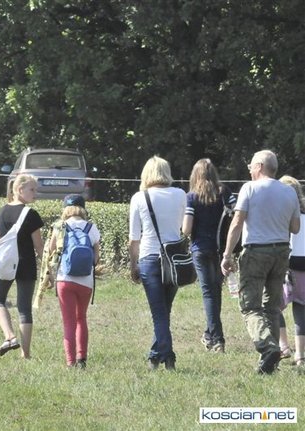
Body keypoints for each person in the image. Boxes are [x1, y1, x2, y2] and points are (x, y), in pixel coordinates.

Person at [220, 150, 300, 374]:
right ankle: (271, 364)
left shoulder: (249, 188)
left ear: (260, 166)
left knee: (250, 307)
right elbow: (295, 228)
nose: (249, 170)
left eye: (251, 166)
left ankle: (268, 347)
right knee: (272, 307)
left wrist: (227, 254)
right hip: (281, 252)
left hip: (256, 252)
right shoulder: (289, 191)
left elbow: (237, 222)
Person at [128, 156, 186, 371]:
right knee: (164, 311)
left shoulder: (139, 197)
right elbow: (184, 227)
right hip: (174, 259)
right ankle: (156, 356)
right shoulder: (180, 194)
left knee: (159, 313)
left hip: (149, 258)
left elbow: (134, 238)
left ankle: (167, 356)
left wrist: (133, 264)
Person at [182, 159, 235, 354]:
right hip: (221, 249)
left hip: (200, 249)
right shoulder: (225, 192)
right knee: (215, 291)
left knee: (208, 293)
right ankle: (209, 333)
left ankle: (217, 339)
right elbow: (236, 216)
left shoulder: (192, 197)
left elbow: (186, 229)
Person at [0, 174, 44, 359]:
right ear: (20, 190)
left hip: (6, 263)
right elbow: (39, 246)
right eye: (32, 189)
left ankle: (9, 336)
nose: (35, 193)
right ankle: (25, 354)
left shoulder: (2, 212)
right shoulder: (31, 214)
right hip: (26, 264)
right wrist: (47, 269)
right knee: (24, 308)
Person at [45, 194, 101, 368]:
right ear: (83, 209)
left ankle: (70, 362)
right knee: (81, 318)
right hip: (85, 281)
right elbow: (96, 258)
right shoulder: (91, 227)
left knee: (68, 321)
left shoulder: (59, 226)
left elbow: (51, 253)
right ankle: (81, 358)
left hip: (65, 279)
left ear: (65, 209)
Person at [276, 175, 305, 368]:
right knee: (301, 309)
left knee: (273, 305)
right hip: (304, 264)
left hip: (286, 263)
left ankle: (283, 346)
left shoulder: (281, 215)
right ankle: (300, 355)